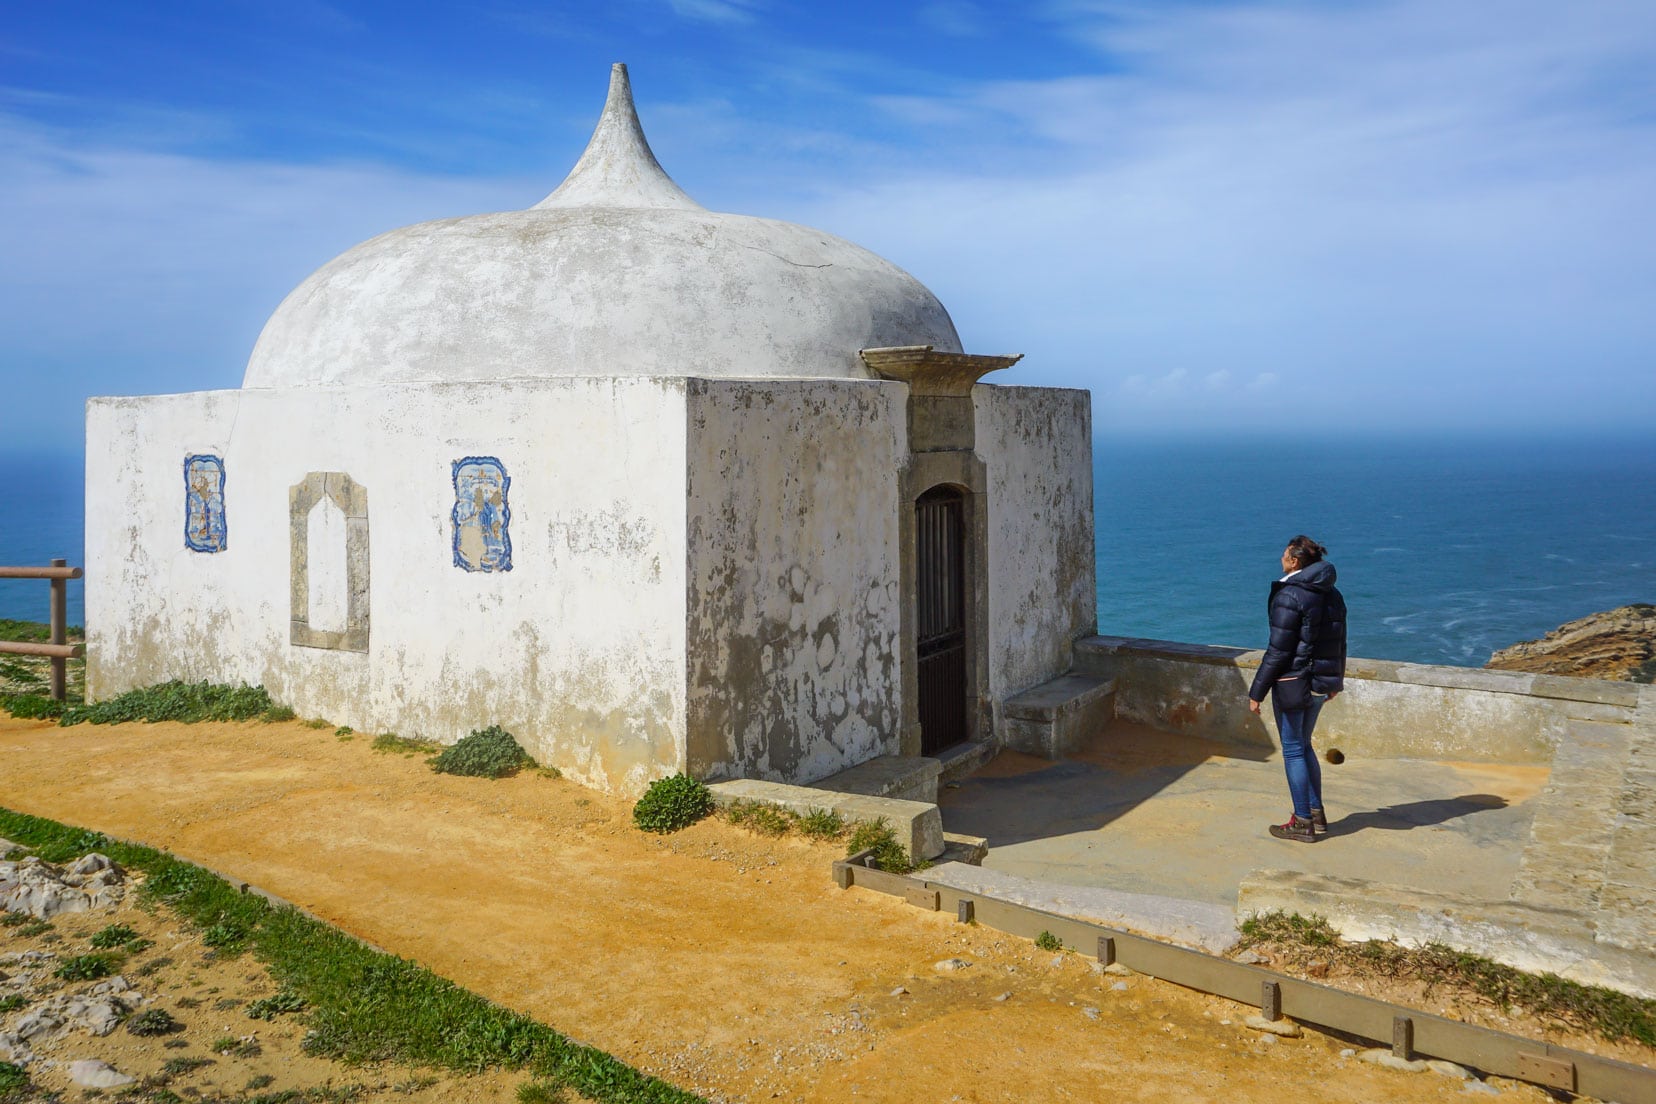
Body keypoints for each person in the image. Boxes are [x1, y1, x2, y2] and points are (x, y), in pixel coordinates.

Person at [1247, 535, 1347, 842]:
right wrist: (1335, 682)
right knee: (1304, 746)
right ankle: (1316, 814)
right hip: (1319, 684)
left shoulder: (1290, 595)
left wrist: (1256, 692)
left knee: (1293, 750)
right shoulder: (1332, 593)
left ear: (1295, 562)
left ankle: (1302, 821)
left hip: (1294, 683)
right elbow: (1338, 641)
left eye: (1285, 555)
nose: (1281, 558)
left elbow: (1278, 651)